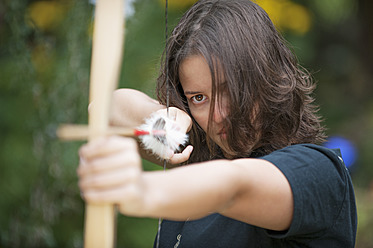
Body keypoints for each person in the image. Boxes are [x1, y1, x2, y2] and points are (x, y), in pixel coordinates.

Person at [77, 0, 357, 247]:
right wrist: (164, 119)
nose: (218, 115)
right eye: (199, 97)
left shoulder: (321, 174)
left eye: (230, 90)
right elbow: (105, 107)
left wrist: (140, 189)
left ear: (267, 78)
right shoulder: (196, 157)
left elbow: (235, 185)